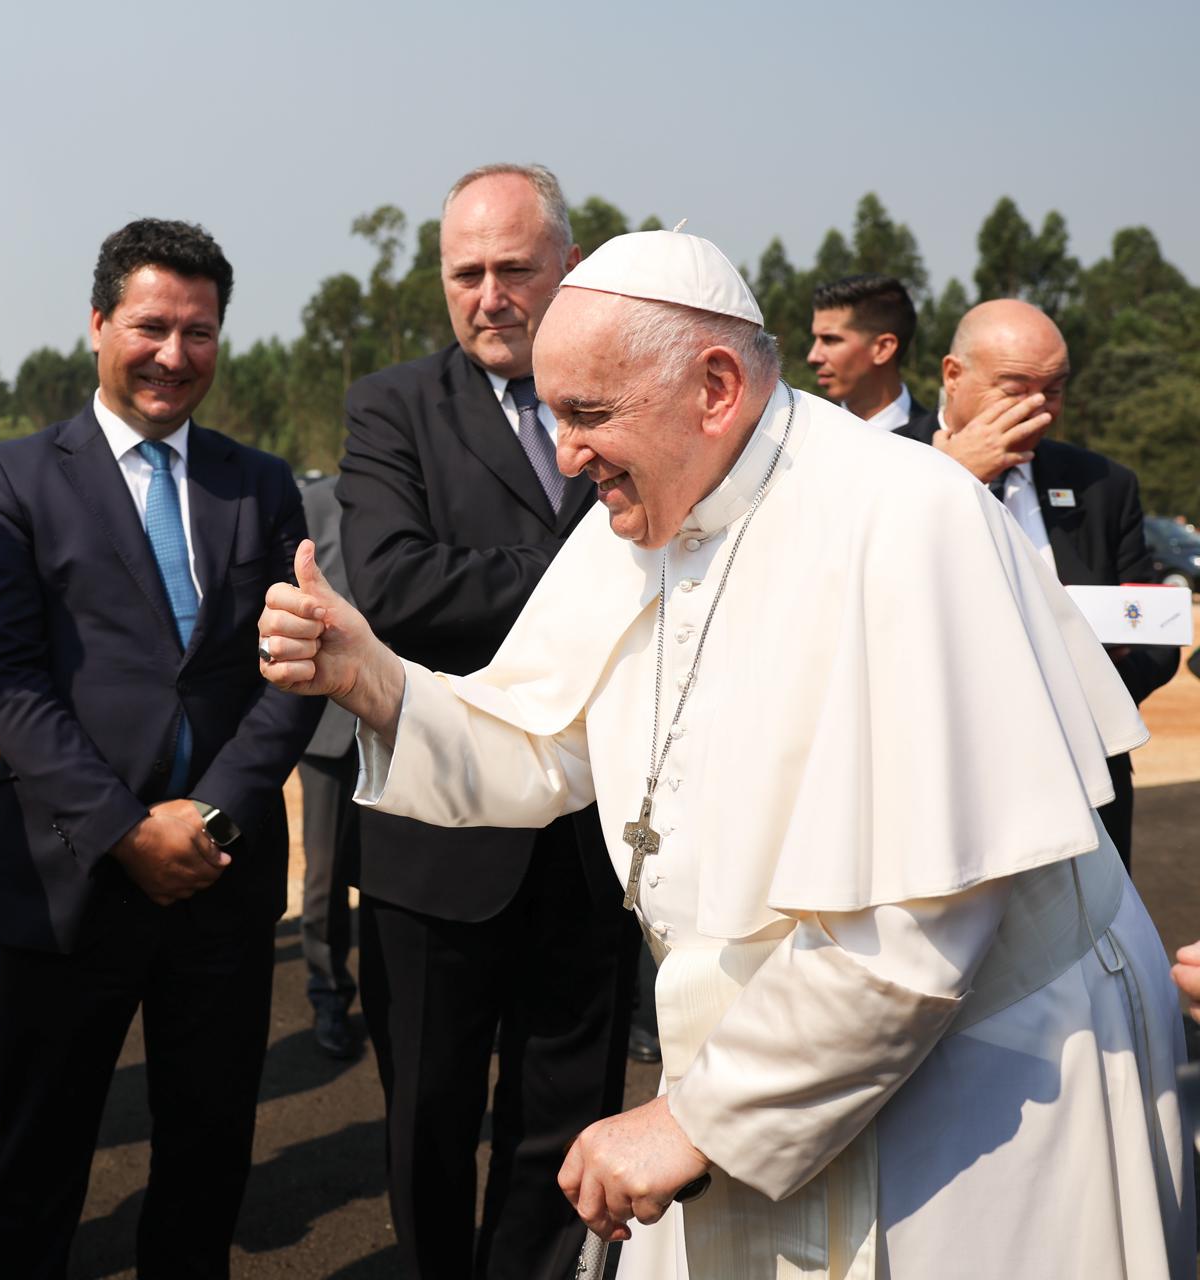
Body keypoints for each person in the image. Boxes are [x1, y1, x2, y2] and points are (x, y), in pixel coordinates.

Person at [259, 229, 1191, 1278]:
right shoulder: (647, 513)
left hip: (984, 1078)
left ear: (712, 386)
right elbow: (537, 738)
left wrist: (698, 1118)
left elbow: (918, 925)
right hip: (768, 1053)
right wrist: (373, 675)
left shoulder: (904, 514)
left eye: (588, 413)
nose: (565, 453)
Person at [0, 218, 321, 1278]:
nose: (173, 353)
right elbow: (9, 682)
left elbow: (291, 673)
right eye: (152, 326)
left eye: (198, 331)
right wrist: (124, 831)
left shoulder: (260, 486)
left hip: (220, 871)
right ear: (99, 324)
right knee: (38, 1162)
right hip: (70, 875)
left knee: (208, 1154)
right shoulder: (16, 477)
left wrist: (207, 815)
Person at [334, 162, 634, 1278]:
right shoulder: (392, 407)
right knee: (428, 1118)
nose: (491, 294)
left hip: (595, 837)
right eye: (468, 272)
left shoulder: (628, 396)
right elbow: (400, 588)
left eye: (516, 267)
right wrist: (593, 567)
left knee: (568, 1114)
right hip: (436, 847)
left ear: (569, 265)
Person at [898, 298, 1179, 868]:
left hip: (1083, 781)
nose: (1038, 407)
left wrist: (1093, 673)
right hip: (933, 776)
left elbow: (1155, 638)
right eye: (1014, 387)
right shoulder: (882, 462)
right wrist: (949, 479)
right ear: (953, 375)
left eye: (1054, 389)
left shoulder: (1102, 484)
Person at [294, 472, 363, 1061]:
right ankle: (328, 994)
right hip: (328, 728)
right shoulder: (315, 501)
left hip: (407, 717)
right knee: (325, 878)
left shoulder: (420, 489)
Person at [805, 273, 936, 433]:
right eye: (816, 339)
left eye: (830, 339)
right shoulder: (801, 436)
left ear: (883, 348)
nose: (813, 356)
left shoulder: (940, 446)